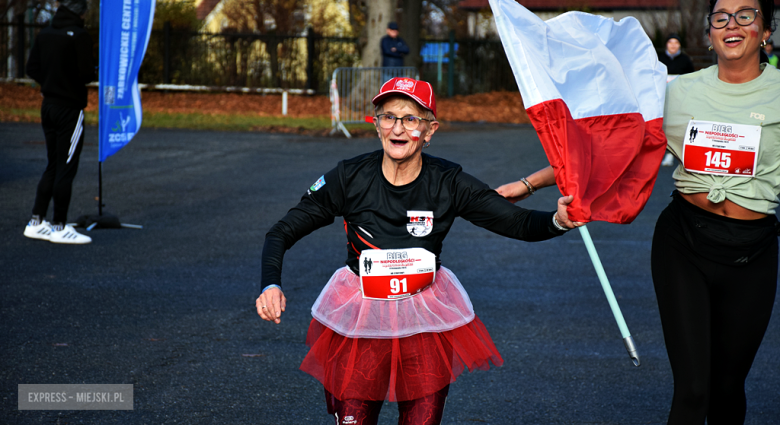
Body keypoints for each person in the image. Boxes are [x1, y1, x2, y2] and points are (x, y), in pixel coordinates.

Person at [498, 1, 779, 423]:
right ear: (709, 33)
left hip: (753, 254)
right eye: (720, 17)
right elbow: (608, 148)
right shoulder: (677, 91)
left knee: (727, 388)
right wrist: (528, 184)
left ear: (766, 31)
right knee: (693, 390)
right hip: (684, 246)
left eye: (745, 14)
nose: (731, 24)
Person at [256, 77, 581, 425]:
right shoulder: (349, 177)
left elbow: (516, 223)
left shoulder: (448, 181)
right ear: (377, 124)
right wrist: (270, 283)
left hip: (424, 321)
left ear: (429, 130)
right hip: (362, 318)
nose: (398, 127)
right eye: (388, 117)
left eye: (411, 118)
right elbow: (282, 231)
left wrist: (558, 221)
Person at [23, 0, 95, 244]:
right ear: (82, 12)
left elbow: (31, 68)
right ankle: (60, 227)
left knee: (53, 164)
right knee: (66, 167)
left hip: (48, 106)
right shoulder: (79, 36)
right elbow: (86, 74)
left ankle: (36, 221)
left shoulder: (46, 33)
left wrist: (51, 82)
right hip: (69, 109)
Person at [659, 33, 695, 166]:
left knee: (678, 123)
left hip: (680, 97)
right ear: (666, 45)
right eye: (670, 42)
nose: (673, 45)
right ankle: (665, 152)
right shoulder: (660, 59)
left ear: (679, 45)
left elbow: (691, 77)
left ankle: (676, 153)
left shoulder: (685, 60)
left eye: (676, 43)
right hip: (663, 96)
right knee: (663, 124)